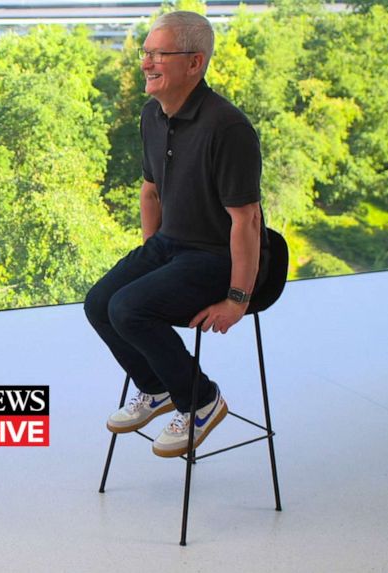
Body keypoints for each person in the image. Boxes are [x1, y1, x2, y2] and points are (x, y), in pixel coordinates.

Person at [84, 11, 269, 458]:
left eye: (158, 54)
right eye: (145, 52)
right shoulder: (152, 114)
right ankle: (157, 387)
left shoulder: (228, 128)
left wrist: (238, 298)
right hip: (170, 245)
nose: (146, 62)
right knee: (99, 304)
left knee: (129, 308)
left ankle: (201, 399)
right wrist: (150, 256)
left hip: (215, 254)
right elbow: (151, 193)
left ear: (194, 62)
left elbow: (247, 221)